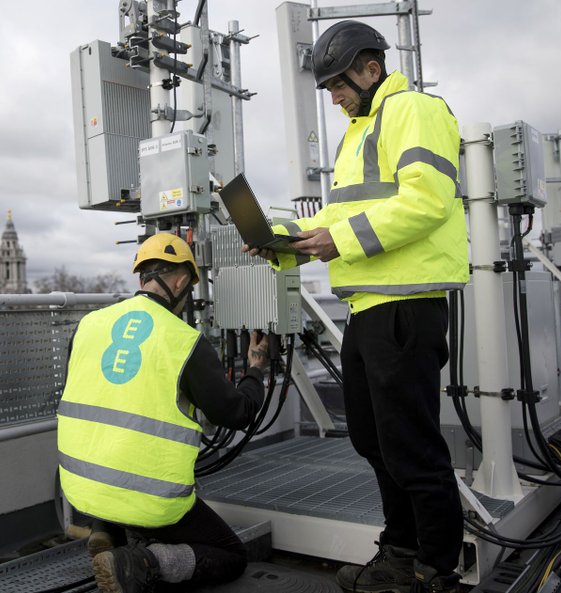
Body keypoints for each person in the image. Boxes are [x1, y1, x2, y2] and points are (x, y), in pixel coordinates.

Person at [245, 20, 468, 593]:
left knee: (412, 446)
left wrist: (337, 242)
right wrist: (283, 237)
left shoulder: (413, 110)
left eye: (338, 85)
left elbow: (427, 202)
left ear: (371, 68)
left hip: (405, 305)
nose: (334, 97)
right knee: (374, 441)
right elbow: (338, 218)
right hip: (369, 307)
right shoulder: (360, 131)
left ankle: (434, 571)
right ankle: (400, 553)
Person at [57, 233, 271, 593]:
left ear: (141, 277)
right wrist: (255, 370)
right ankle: (141, 563)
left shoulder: (87, 326)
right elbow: (235, 413)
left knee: (117, 475)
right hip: (147, 498)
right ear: (181, 281)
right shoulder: (183, 340)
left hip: (81, 491)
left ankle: (105, 531)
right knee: (231, 554)